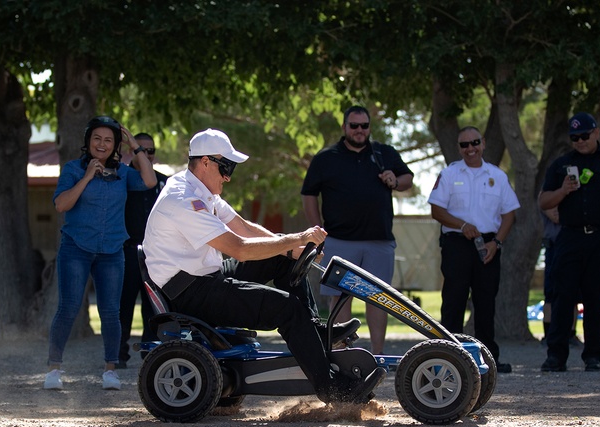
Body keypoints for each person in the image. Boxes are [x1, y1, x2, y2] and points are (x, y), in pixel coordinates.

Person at [143, 128, 382, 404]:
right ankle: (331, 390)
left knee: (282, 259)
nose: (228, 176)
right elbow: (239, 249)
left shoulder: (199, 190)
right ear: (206, 162)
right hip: (190, 294)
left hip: (206, 277)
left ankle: (314, 332)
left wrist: (293, 250)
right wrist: (298, 237)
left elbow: (243, 227)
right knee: (288, 310)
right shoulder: (184, 200)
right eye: (226, 167)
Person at [44, 116, 157, 391]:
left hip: (111, 251)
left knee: (110, 311)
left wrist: (134, 146)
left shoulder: (123, 173)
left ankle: (110, 370)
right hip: (76, 248)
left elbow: (150, 180)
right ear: (88, 141)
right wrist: (86, 177)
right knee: (68, 308)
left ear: (115, 145)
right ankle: (53, 370)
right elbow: (62, 204)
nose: (102, 144)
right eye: (97, 138)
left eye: (108, 140)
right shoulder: (73, 169)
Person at [301, 105, 414, 354]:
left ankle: (378, 354)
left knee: (377, 299)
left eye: (364, 126)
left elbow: (408, 178)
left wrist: (395, 181)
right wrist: (317, 230)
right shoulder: (325, 157)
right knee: (340, 298)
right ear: (344, 127)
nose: (360, 130)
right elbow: (309, 194)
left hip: (379, 241)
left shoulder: (385, 153)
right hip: (339, 241)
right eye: (354, 126)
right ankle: (340, 354)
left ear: (369, 127)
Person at [539, 113, 600, 372]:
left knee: (597, 298)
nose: (580, 141)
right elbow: (543, 201)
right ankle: (556, 355)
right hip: (569, 236)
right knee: (562, 297)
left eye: (584, 136)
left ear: (596, 133)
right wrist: (563, 191)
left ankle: (593, 355)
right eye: (575, 137)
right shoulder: (561, 165)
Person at [428, 125, 519, 372]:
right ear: (459, 148)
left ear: (484, 143)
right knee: (453, 302)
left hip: (488, 245)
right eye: (464, 145)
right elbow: (437, 211)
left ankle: (489, 359)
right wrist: (462, 225)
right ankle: (447, 357)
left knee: (485, 303)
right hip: (457, 243)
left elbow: (509, 214)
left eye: (474, 143)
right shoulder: (448, 174)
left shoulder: (497, 176)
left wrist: (496, 243)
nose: (470, 149)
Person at [118, 132, 168, 368]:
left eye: (151, 151)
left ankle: (151, 357)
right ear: (132, 151)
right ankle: (117, 356)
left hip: (155, 254)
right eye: (142, 150)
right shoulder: (120, 178)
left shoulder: (164, 182)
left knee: (153, 307)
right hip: (126, 252)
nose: (147, 155)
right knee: (122, 305)